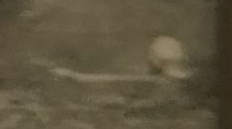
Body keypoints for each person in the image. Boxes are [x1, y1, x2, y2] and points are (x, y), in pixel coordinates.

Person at [49, 36, 191, 83]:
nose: (149, 60)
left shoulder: (156, 79)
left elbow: (112, 78)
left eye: (151, 56)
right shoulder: (185, 74)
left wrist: (73, 75)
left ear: (161, 61)